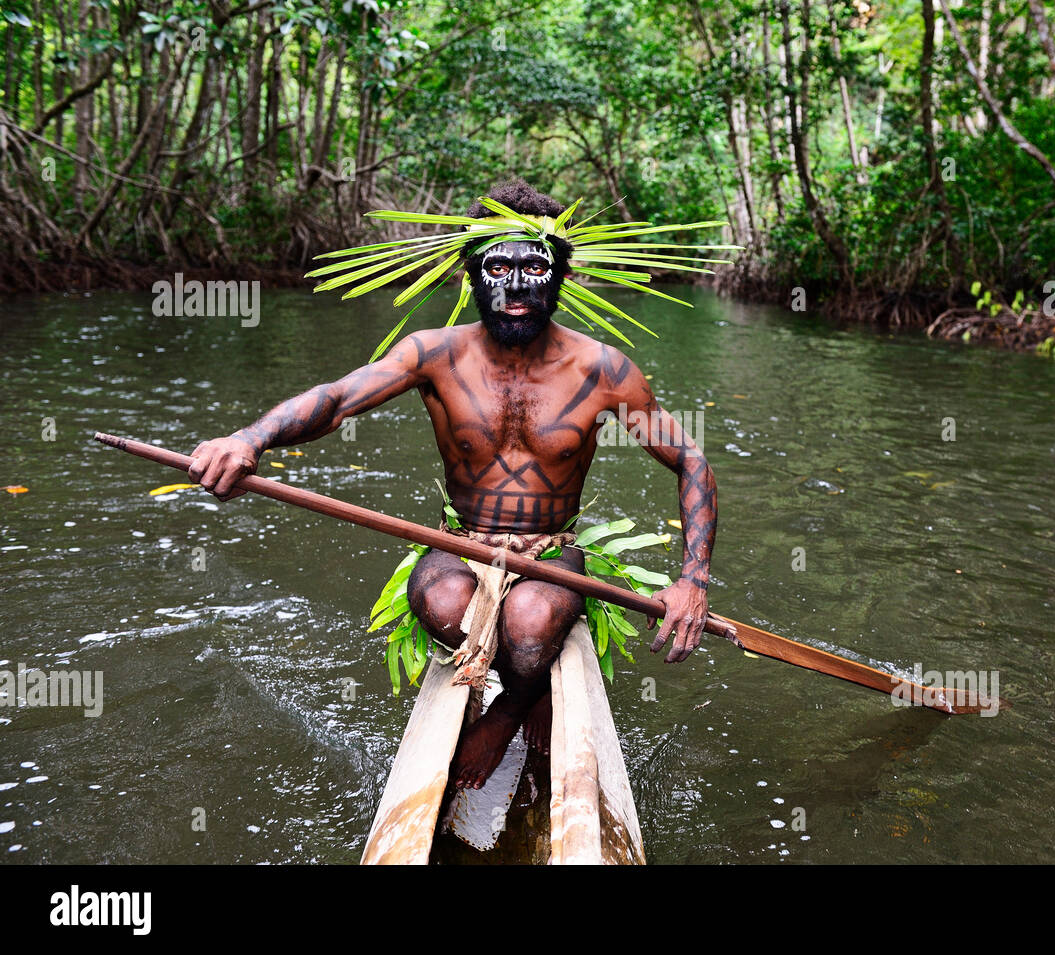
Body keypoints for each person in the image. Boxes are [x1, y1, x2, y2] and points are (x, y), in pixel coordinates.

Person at [186, 180, 717, 790]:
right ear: (472, 274)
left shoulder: (603, 369)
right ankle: (527, 683)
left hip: (551, 552)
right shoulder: (434, 354)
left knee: (531, 620)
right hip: (460, 542)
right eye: (498, 266)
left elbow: (690, 461)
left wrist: (692, 579)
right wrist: (250, 439)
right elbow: (336, 401)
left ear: (561, 275)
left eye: (534, 266)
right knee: (442, 605)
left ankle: (510, 708)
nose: (515, 287)